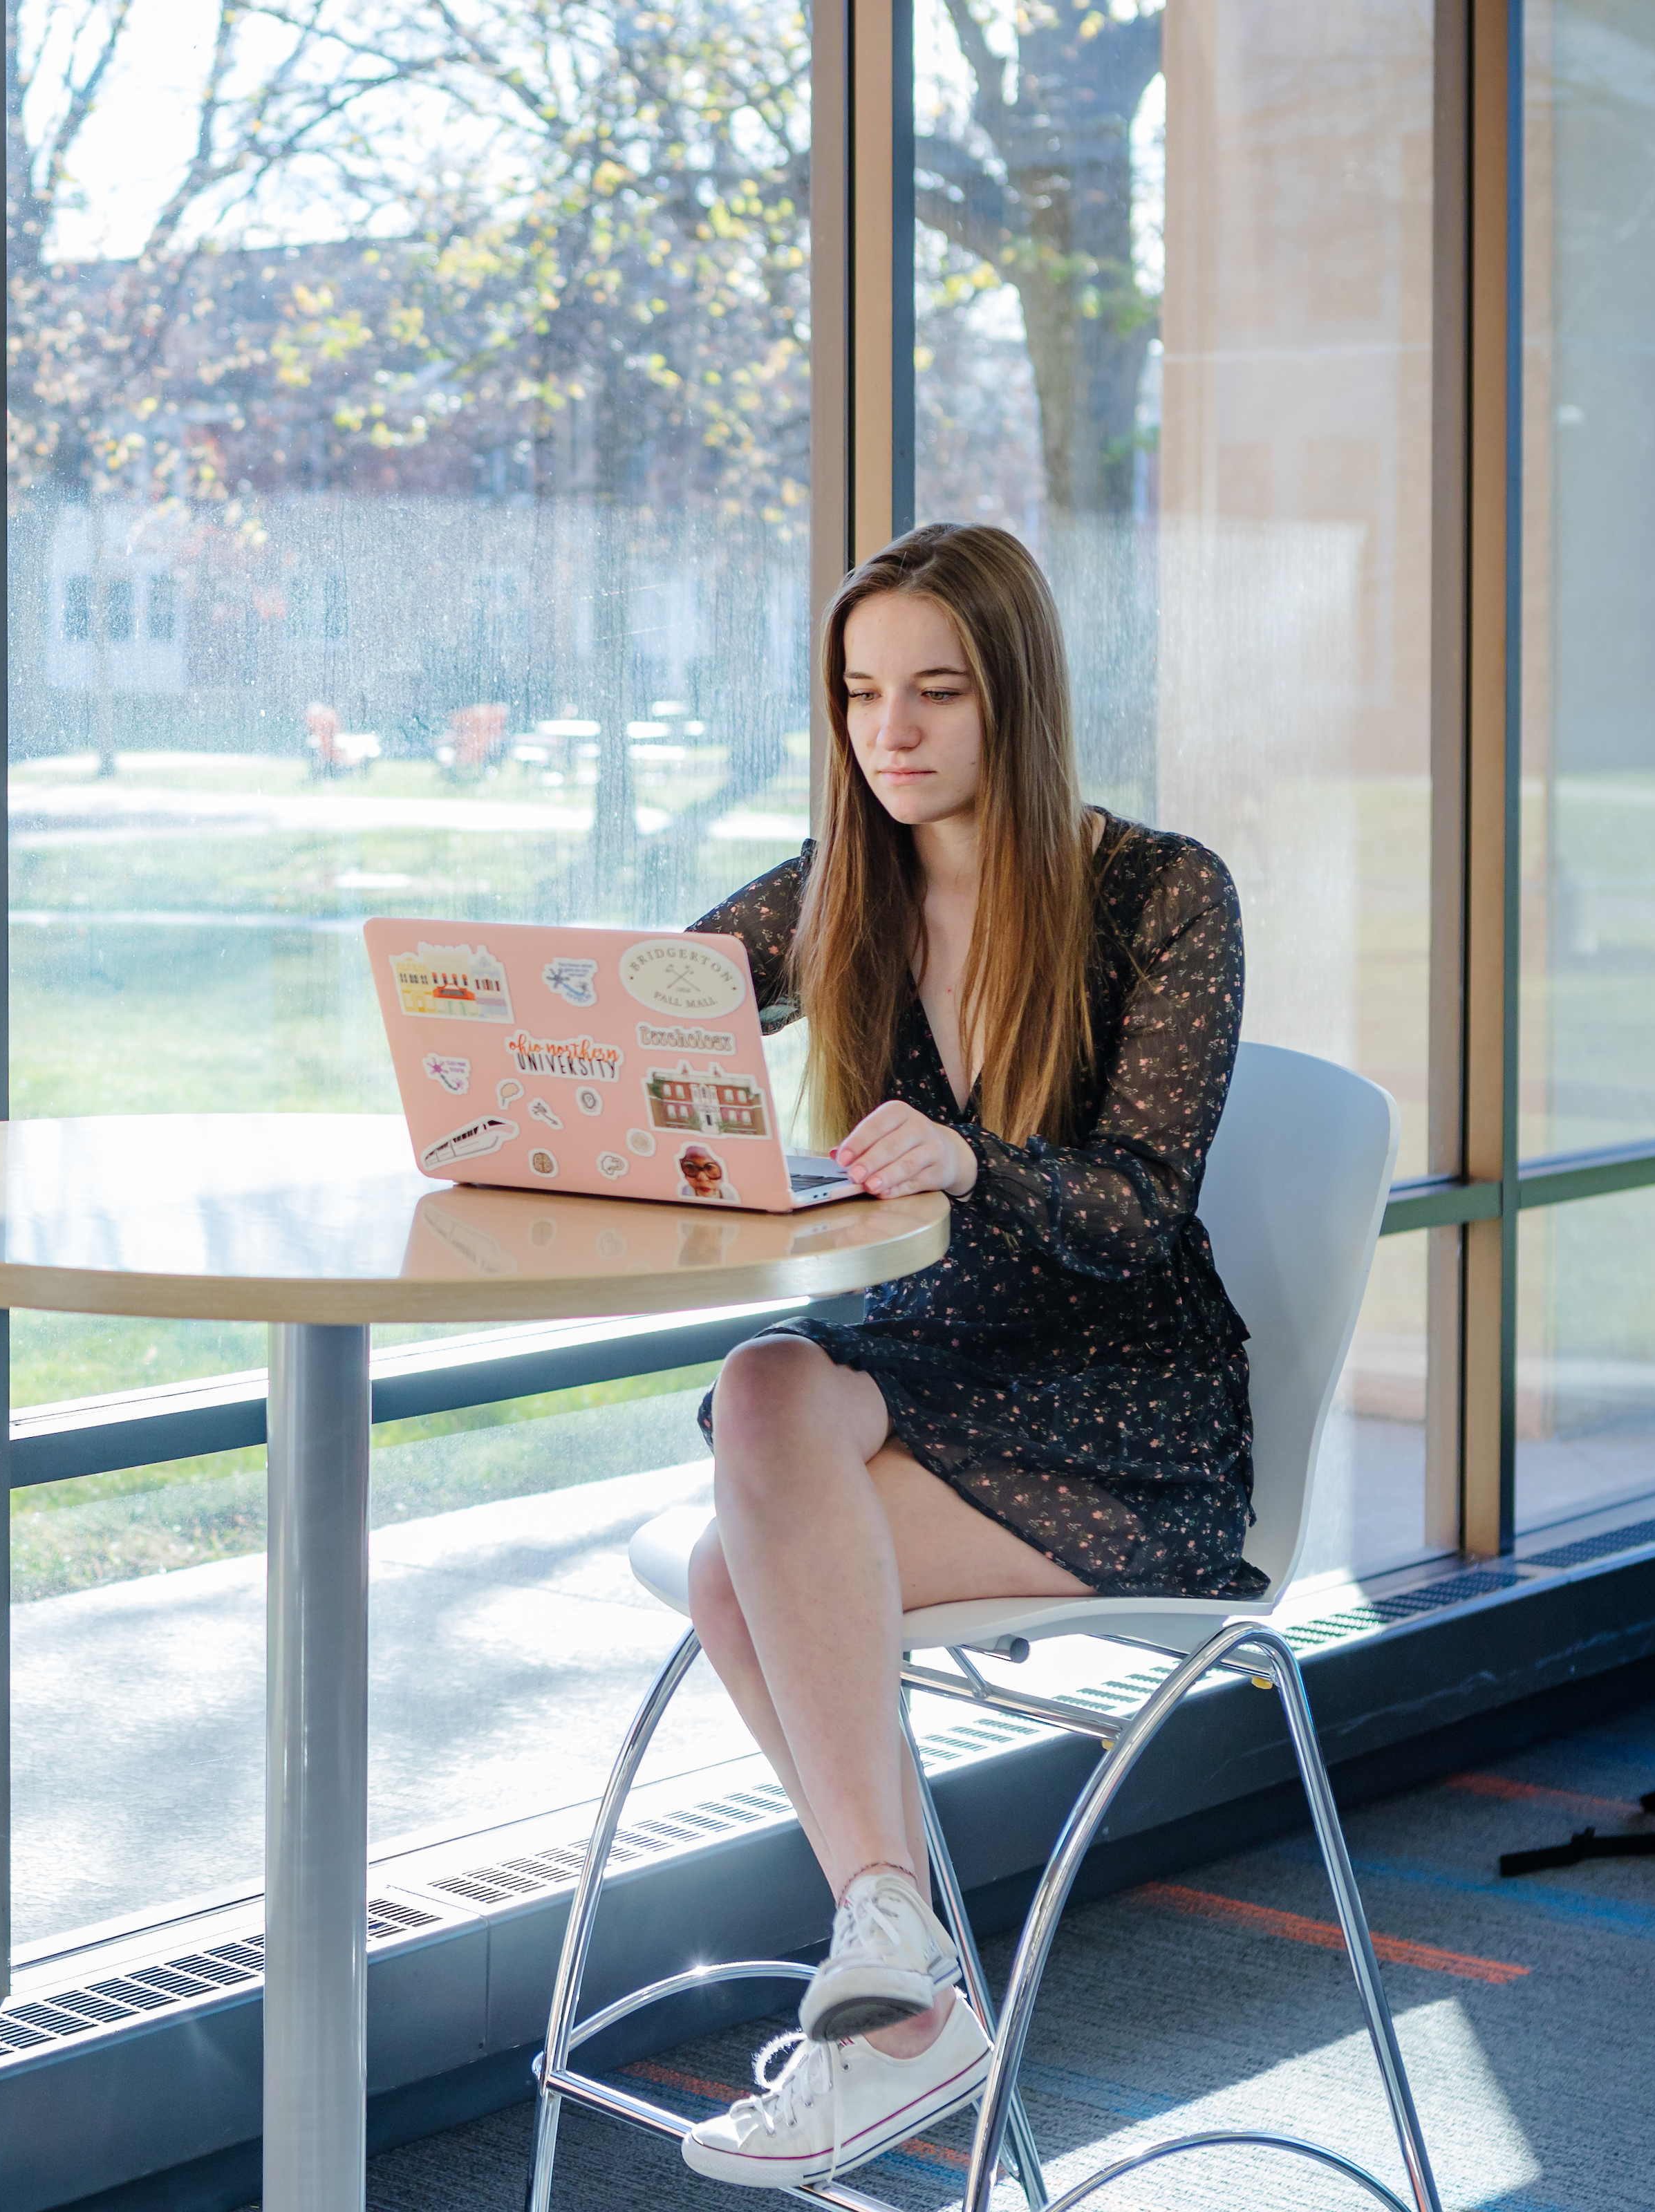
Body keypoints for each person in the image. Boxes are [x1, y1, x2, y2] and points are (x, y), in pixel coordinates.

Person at [669, 522, 1254, 2187]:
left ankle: (908, 2022)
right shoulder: (838, 881)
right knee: (772, 1384)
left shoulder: (1160, 893)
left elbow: (1141, 1210)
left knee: (734, 1575)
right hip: (934, 1358)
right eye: (861, 694)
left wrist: (975, 1155)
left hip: (1122, 1409)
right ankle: (898, 1951)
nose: (893, 732)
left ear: (1015, 696)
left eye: (935, 690)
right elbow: (657, 1010)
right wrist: (551, 1049)